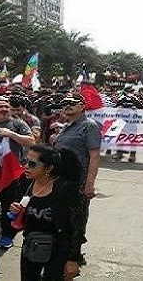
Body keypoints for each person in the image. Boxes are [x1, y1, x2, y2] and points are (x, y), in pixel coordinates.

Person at [10, 145, 84, 281]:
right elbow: (18, 202)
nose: (26, 166)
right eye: (25, 161)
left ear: (49, 168)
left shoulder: (65, 189)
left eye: (32, 164)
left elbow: (76, 227)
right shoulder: (25, 182)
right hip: (31, 245)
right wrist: (15, 208)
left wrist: (73, 259)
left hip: (59, 249)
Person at [0, 97, 35, 249]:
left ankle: (7, 235)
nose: (4, 108)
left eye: (7, 106)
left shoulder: (18, 124)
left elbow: (31, 141)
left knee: (9, 206)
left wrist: (11, 135)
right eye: (0, 106)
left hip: (11, 174)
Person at [53, 94, 102, 247]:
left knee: (76, 220)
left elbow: (94, 156)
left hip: (78, 182)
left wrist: (89, 184)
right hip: (59, 180)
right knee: (61, 218)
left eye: (72, 103)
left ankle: (74, 256)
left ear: (82, 106)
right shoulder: (66, 126)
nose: (67, 105)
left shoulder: (89, 126)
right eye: (64, 103)